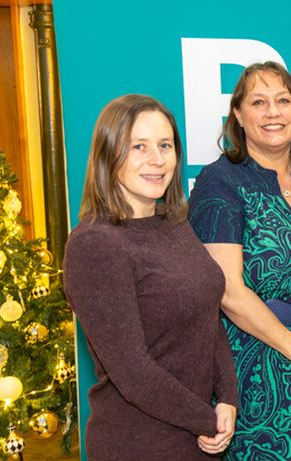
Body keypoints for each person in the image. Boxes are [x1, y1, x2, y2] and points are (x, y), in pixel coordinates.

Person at [63, 94, 238, 460]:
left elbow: (209, 316)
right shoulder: (94, 244)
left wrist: (228, 399)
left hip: (198, 438)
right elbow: (133, 371)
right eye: (138, 147)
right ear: (108, 153)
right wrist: (208, 420)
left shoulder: (173, 223)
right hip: (139, 444)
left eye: (165, 145)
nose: (157, 160)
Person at [188, 61, 291, 460]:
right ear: (239, 115)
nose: (273, 112)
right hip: (254, 365)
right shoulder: (220, 181)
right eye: (259, 102)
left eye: (283, 100)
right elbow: (229, 292)